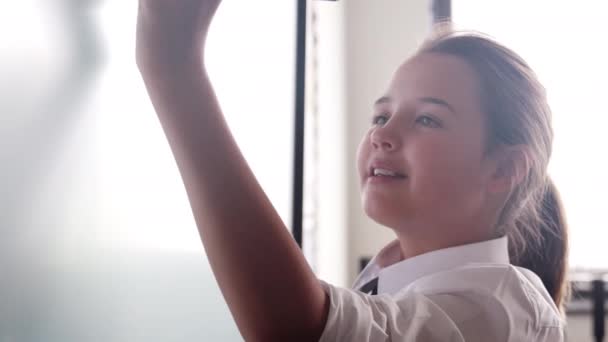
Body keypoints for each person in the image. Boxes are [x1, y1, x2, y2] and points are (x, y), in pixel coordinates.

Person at [136, 1, 568, 341]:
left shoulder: (505, 310)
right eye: (381, 116)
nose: (383, 134)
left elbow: (301, 332)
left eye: (427, 120)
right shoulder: (389, 275)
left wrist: (173, 66)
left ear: (505, 168)